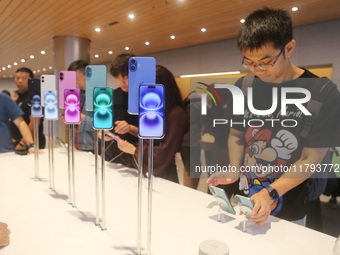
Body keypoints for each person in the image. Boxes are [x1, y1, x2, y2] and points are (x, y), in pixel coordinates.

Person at [207, 7, 340, 226]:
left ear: (289, 48)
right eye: (249, 61)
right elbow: (237, 135)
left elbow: (311, 158)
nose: (258, 69)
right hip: (246, 197)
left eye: (266, 61)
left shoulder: (322, 93)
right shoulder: (244, 86)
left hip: (289, 206)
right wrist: (233, 167)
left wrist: (271, 193)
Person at [117, 65, 188, 183]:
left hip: (162, 177)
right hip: (145, 172)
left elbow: (165, 152)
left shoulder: (176, 114)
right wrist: (130, 130)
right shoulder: (154, 110)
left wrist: (134, 150)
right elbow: (150, 139)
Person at [103, 53, 139, 163]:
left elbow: (154, 134)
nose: (121, 82)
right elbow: (105, 125)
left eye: (125, 77)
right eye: (117, 78)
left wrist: (131, 128)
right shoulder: (112, 95)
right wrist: (103, 133)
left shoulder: (146, 97)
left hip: (136, 155)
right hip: (113, 155)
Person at [11, 67, 46, 149]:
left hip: (30, 143)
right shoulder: (19, 97)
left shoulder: (35, 97)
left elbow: (35, 122)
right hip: (17, 140)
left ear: (30, 80)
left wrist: (23, 143)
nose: (20, 81)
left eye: (24, 78)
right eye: (17, 78)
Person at [67, 60, 94, 152]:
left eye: (77, 78)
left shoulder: (100, 96)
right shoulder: (78, 95)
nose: (76, 83)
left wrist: (82, 118)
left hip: (93, 148)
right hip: (78, 145)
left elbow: (104, 126)